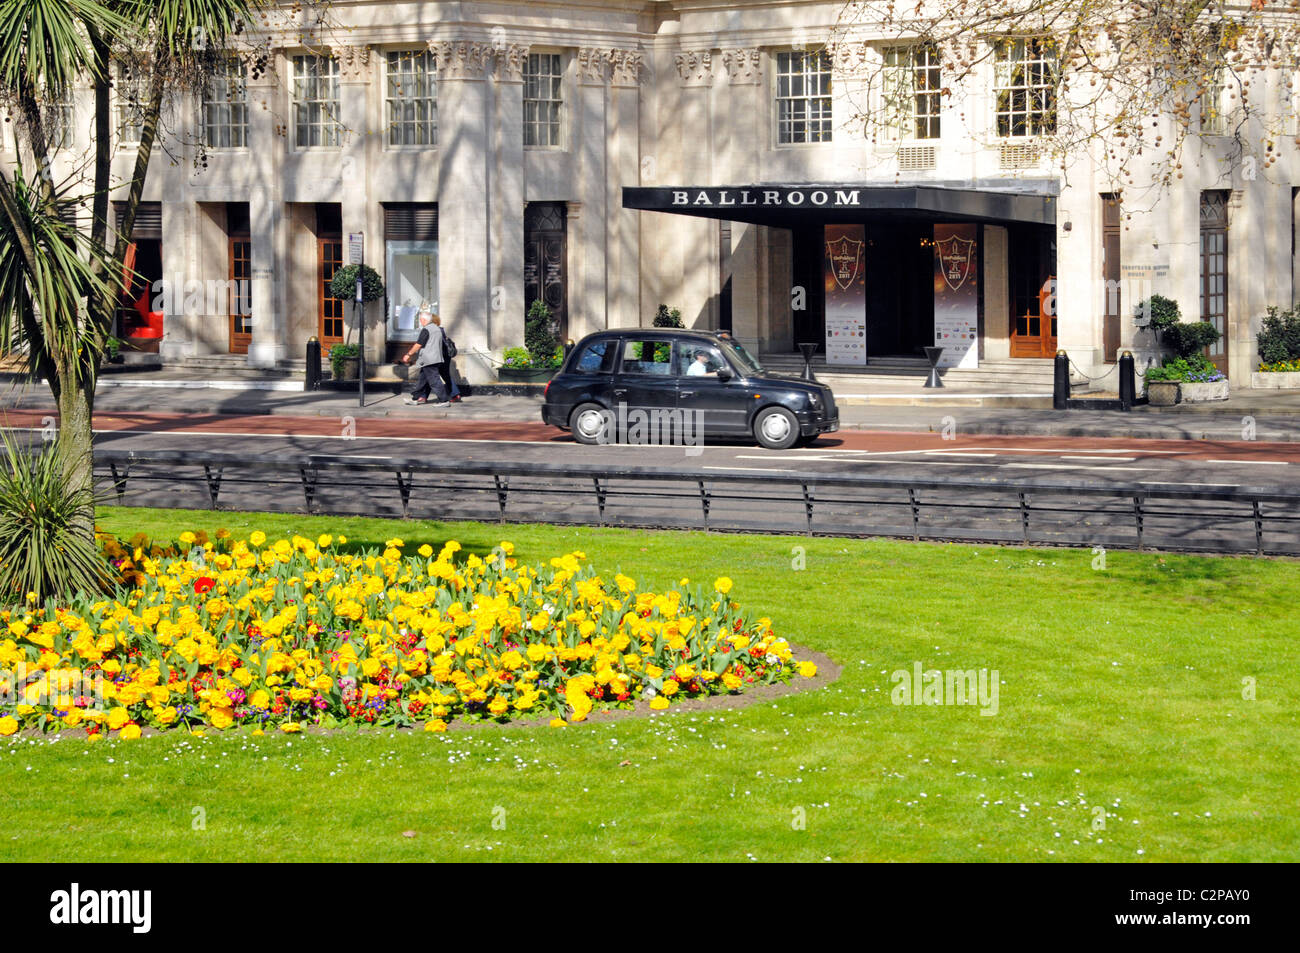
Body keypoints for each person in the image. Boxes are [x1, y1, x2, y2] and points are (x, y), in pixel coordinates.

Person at [400, 307, 450, 405]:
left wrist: (408, 354)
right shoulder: (437, 329)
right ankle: (415, 399)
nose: (420, 322)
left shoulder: (426, 329)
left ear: (424, 320)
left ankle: (444, 400)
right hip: (436, 358)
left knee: (434, 381)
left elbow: (418, 344)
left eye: (420, 320)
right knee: (422, 380)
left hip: (428, 359)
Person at [430, 312, 462, 403]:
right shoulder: (440, 330)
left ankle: (422, 396)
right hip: (445, 356)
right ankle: (455, 394)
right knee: (445, 375)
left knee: (430, 375)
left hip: (439, 356)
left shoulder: (434, 331)